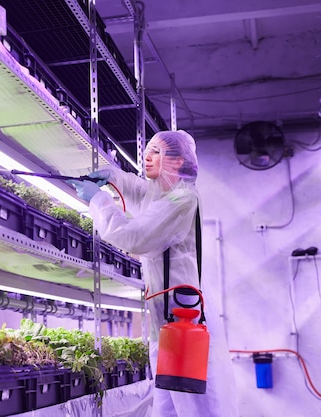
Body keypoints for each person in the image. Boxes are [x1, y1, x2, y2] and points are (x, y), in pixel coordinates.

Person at [68, 130, 239, 417]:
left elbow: (136, 237)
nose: (147, 157)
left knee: (194, 401)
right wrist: (112, 176)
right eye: (147, 150)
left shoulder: (182, 200)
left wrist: (99, 201)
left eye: (157, 152)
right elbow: (139, 191)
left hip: (183, 314)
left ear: (177, 161)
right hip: (168, 316)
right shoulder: (164, 195)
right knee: (168, 401)